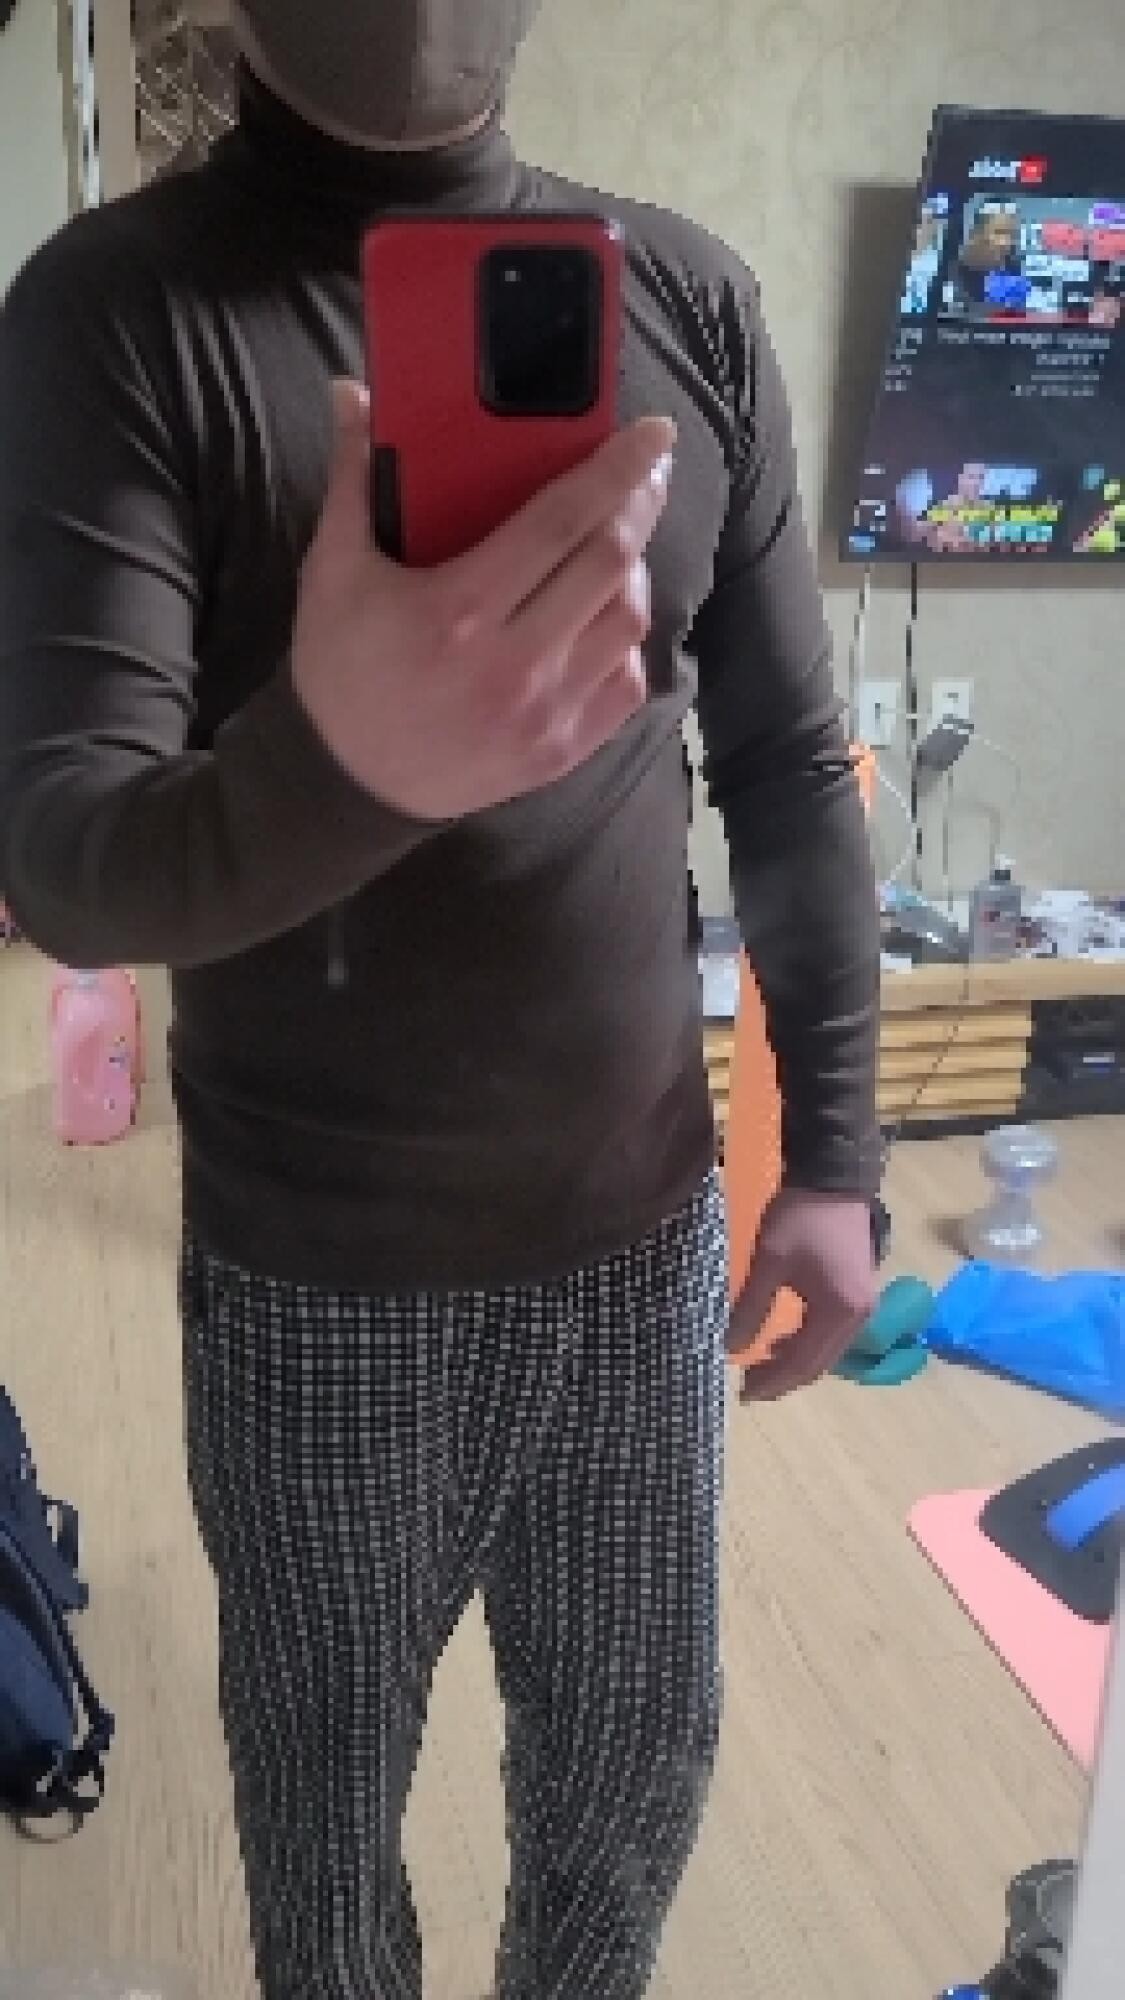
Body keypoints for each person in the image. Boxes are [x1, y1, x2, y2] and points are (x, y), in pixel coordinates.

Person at [0, 4, 880, 1995]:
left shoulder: (686, 299)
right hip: (321, 1279)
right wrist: (348, 754)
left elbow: (783, 768)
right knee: (322, 1816)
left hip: (644, 1238)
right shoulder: (111, 315)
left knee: (632, 1768)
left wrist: (829, 1151)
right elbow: (64, 857)